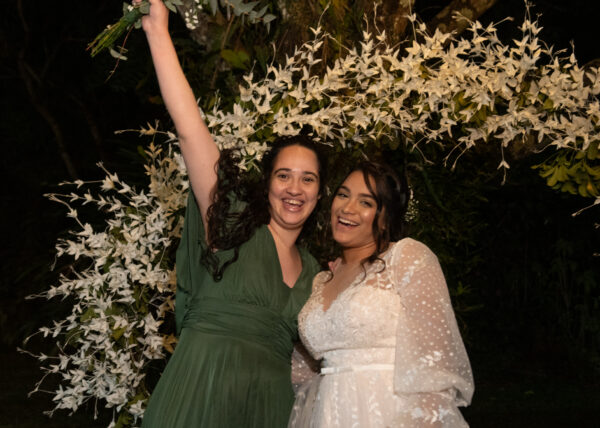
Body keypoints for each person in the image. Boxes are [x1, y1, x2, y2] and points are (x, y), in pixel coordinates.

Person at [135, 1, 325, 426]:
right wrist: (157, 31)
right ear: (267, 183)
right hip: (199, 393)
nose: (295, 189)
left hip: (266, 409)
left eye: (308, 179)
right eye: (284, 176)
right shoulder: (232, 219)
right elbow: (190, 129)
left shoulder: (316, 273)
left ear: (319, 193)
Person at [289, 161, 474, 427]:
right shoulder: (321, 280)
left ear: (387, 218)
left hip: (389, 411)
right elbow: (303, 371)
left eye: (366, 202)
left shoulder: (407, 257)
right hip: (328, 414)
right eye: (343, 195)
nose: (347, 208)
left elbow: (436, 366)